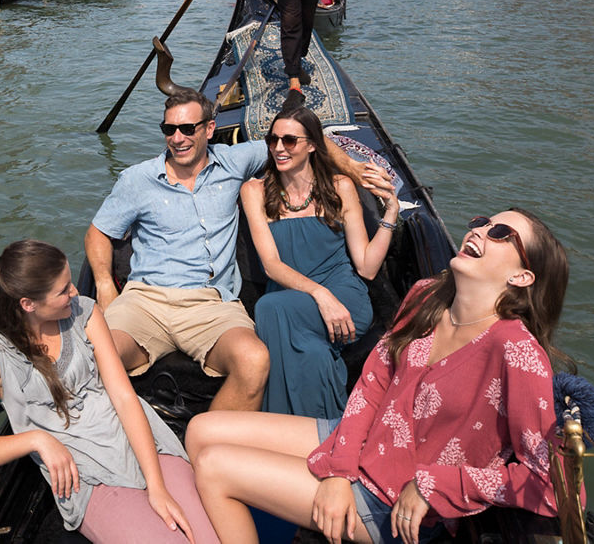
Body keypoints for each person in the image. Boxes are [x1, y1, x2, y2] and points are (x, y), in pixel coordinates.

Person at [187, 208, 569, 544]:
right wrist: (340, 471)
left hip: (387, 500)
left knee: (214, 468)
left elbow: (553, 486)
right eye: (483, 222)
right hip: (363, 444)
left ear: (522, 276)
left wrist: (435, 485)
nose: (480, 231)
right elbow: (373, 385)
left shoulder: (518, 353)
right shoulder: (427, 296)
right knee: (201, 430)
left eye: (500, 233)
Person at [86, 87, 394, 412]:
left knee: (254, 359)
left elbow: (305, 138)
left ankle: (212, 438)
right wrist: (105, 287)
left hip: (211, 303)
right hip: (145, 301)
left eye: (188, 128)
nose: (177, 138)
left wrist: (353, 168)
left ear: (209, 129)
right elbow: (97, 233)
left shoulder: (234, 162)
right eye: (169, 129)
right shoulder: (137, 179)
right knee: (95, 358)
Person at [0, 240, 218, 544]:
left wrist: (157, 486)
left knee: (210, 538)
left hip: (140, 441)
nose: (75, 292)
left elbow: (124, 397)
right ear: (28, 304)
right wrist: (36, 439)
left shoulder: (85, 312)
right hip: (87, 474)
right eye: (63, 290)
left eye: (71, 282)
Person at [242, 103, 399, 418]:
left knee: (269, 309)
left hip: (345, 299)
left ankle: (280, 426)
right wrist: (319, 294)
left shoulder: (340, 187)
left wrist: (391, 213)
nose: (278, 148)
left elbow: (367, 267)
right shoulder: (254, 190)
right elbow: (271, 265)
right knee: (311, 350)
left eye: (290, 140)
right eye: (273, 140)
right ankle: (328, 428)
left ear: (313, 145)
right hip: (294, 297)